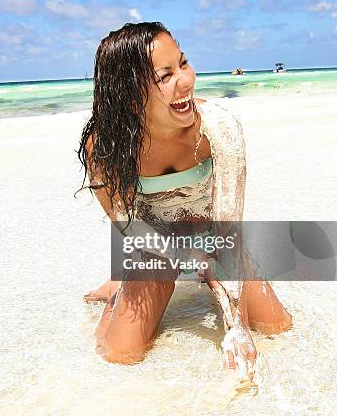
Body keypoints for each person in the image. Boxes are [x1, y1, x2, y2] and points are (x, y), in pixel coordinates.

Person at [77, 22, 292, 378]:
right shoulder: (105, 148)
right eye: (165, 75)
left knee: (277, 329)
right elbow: (128, 227)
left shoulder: (219, 129)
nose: (186, 79)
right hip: (154, 245)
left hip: (217, 239)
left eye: (183, 63)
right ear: (130, 94)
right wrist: (181, 258)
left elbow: (229, 233)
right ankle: (118, 291)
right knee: (118, 355)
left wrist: (234, 323)